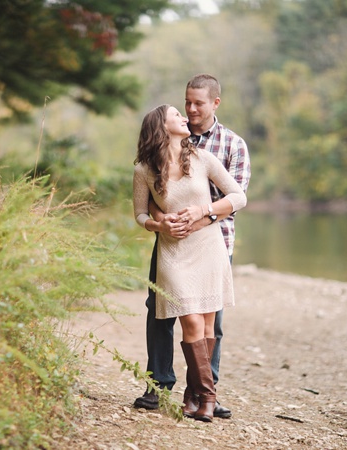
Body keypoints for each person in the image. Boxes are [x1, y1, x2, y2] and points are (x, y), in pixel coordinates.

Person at [133, 74, 251, 419]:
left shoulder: (228, 145)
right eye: (186, 103)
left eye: (197, 103)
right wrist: (161, 220)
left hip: (213, 242)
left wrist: (200, 215)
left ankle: (200, 394)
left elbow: (236, 197)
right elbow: (148, 206)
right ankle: (159, 386)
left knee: (209, 323)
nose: (190, 110)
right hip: (171, 245)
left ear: (215, 103)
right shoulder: (148, 164)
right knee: (160, 313)